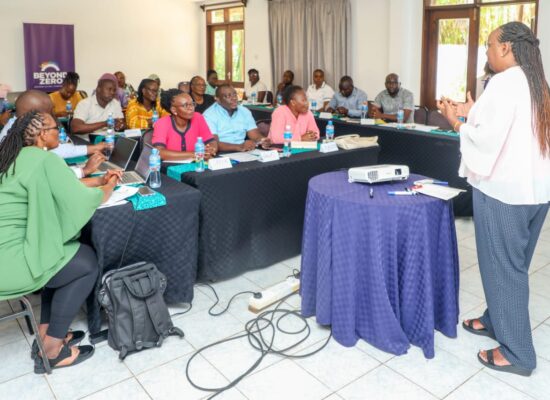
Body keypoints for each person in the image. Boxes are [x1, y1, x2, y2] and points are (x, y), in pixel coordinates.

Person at [438, 22, 550, 376]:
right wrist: (475, 111)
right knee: (511, 265)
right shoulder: (537, 83)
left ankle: (518, 353)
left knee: (506, 271)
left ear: (505, 48)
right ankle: (493, 319)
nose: (485, 52)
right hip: (535, 193)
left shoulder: (504, 83)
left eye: (488, 46)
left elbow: (484, 141)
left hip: (504, 194)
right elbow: (511, 131)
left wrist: (456, 121)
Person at [0, 111, 119, 373]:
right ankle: (52, 351)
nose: (60, 133)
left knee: (58, 255)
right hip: (10, 264)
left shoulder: (14, 156)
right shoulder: (43, 159)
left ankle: (46, 336)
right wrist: (107, 188)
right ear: (42, 134)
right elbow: (78, 200)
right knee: (85, 263)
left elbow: (59, 188)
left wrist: (95, 180)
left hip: (6, 253)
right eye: (56, 128)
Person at [0, 90, 108, 178]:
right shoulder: (20, 143)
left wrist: (93, 149)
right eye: (49, 112)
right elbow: (48, 179)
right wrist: (84, 170)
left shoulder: (17, 129)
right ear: (34, 116)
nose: (53, 116)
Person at [152, 89, 218, 161]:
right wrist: (197, 154)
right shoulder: (162, 123)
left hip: (197, 165)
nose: (191, 108)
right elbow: (159, 153)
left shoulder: (198, 117)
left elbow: (211, 141)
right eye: (185, 105)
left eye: (192, 104)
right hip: (170, 168)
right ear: (174, 110)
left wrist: (211, 149)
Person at [203, 84, 271, 152]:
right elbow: (212, 143)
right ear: (218, 100)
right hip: (221, 153)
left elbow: (255, 135)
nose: (234, 98)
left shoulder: (244, 111)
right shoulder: (209, 115)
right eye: (228, 96)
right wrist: (239, 147)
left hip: (243, 151)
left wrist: (262, 140)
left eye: (235, 95)